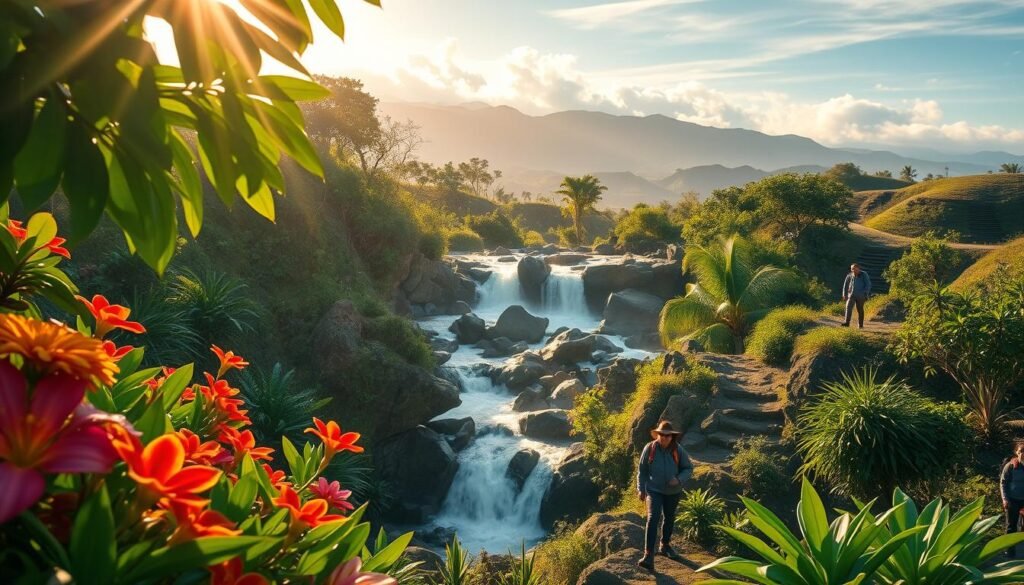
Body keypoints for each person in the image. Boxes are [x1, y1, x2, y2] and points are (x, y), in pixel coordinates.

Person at [636, 420, 694, 572]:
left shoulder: (678, 450)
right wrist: (641, 489)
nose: (665, 438)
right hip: (654, 490)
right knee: (652, 518)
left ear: (672, 437)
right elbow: (642, 471)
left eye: (668, 436)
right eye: (662, 435)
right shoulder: (649, 449)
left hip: (673, 492)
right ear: (658, 435)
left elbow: (688, 468)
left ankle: (665, 545)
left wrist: (679, 479)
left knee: (669, 517)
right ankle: (648, 555)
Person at [1001, 442, 1024, 558]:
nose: (1022, 455)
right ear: (1016, 453)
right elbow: (1003, 483)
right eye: (1020, 452)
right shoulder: (1010, 466)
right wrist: (1005, 499)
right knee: (1011, 526)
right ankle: (1009, 552)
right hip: (1013, 500)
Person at [841, 263, 871, 329]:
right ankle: (846, 322)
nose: (854, 271)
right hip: (851, 295)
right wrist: (844, 294)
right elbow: (845, 285)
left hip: (861, 296)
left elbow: (868, 284)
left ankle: (860, 325)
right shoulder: (849, 275)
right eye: (852, 269)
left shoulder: (864, 274)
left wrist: (865, 292)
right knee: (848, 307)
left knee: (860, 310)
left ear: (858, 269)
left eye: (855, 269)